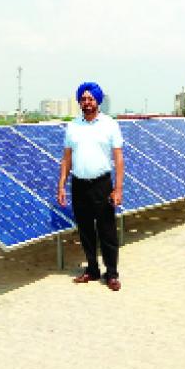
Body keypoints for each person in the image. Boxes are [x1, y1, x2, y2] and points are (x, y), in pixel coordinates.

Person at [58, 82, 124, 291]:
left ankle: (111, 274)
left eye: (90, 99)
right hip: (79, 185)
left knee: (107, 231)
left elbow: (119, 158)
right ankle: (92, 270)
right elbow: (67, 159)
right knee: (85, 231)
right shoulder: (73, 126)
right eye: (83, 99)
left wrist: (118, 188)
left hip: (102, 184)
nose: (86, 103)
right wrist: (61, 186)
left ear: (97, 101)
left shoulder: (109, 124)